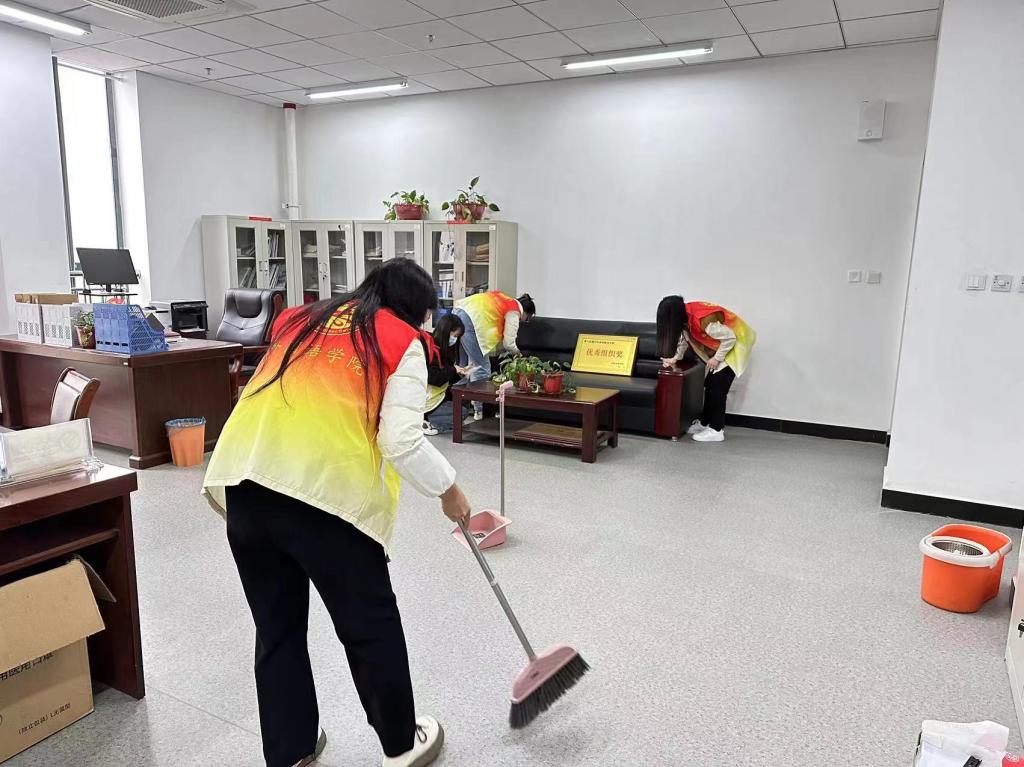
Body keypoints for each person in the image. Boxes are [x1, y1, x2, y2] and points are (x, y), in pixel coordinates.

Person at [202, 259, 470, 767]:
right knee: (369, 625)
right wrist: (448, 489)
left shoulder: (303, 318)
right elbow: (401, 439)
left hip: (246, 483)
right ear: (416, 310)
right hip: (323, 494)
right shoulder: (400, 339)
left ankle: (291, 750)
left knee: (276, 629)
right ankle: (401, 745)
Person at [656, 295, 756, 443]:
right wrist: (675, 358)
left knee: (718, 386)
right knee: (709, 384)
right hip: (726, 346)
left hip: (738, 343)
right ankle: (705, 423)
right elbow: (686, 340)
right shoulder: (684, 316)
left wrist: (717, 358)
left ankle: (716, 429)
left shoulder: (701, 319)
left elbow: (730, 338)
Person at [452, 290, 536, 420]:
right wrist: (518, 354)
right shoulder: (514, 310)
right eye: (527, 319)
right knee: (482, 368)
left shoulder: (503, 298)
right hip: (470, 322)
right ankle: (480, 412)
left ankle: (457, 410)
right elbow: (509, 344)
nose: (524, 321)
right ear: (526, 312)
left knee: (462, 368)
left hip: (457, 311)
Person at [422, 313, 476, 436]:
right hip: (428, 401)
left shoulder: (445, 349)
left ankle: (435, 420)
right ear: (446, 331)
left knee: (463, 402)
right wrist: (453, 370)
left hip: (439, 397)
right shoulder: (431, 348)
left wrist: (460, 373)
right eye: (455, 336)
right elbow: (434, 378)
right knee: (461, 413)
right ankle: (426, 422)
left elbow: (446, 378)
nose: (455, 339)